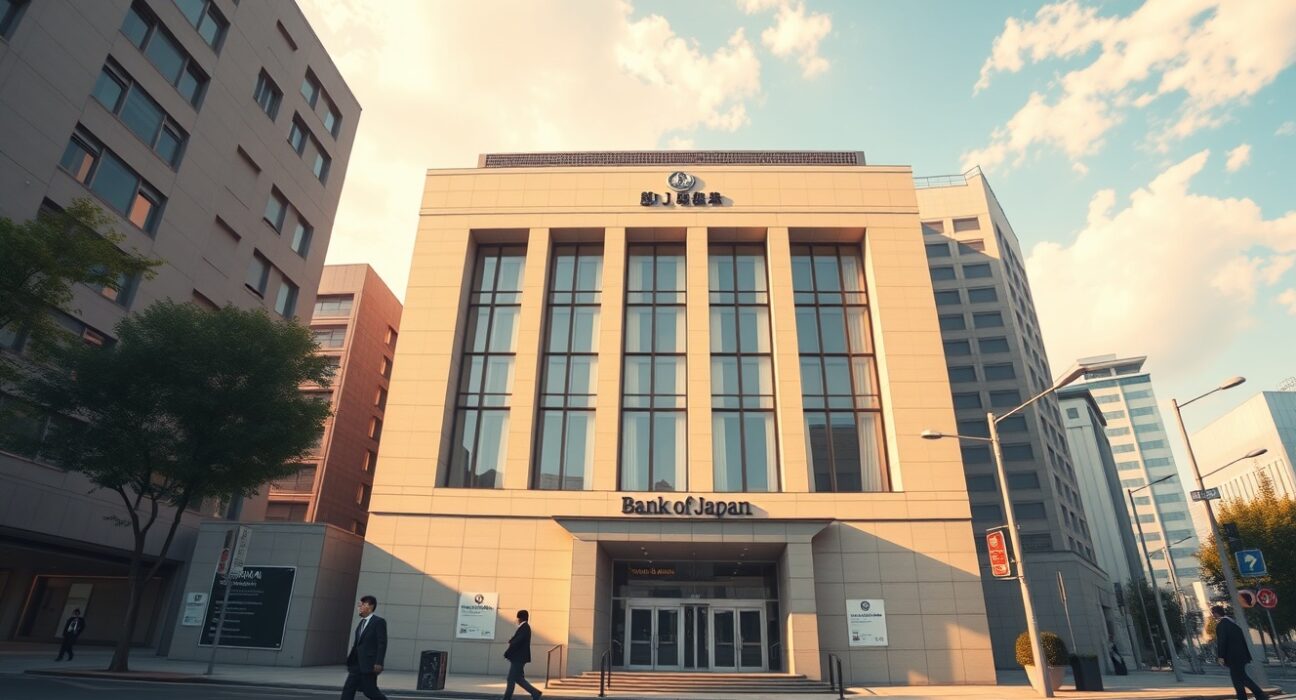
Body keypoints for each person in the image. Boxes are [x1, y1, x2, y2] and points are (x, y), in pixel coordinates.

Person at [1212, 604, 1267, 700]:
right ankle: (1250, 696)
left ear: (1216, 614)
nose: (1213, 616)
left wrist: (1220, 656)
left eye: (1213, 613)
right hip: (1241, 656)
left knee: (1240, 678)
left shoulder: (1222, 625)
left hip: (1233, 657)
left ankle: (1259, 695)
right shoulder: (1233, 624)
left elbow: (1222, 641)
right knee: (1239, 679)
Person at [341, 595, 387, 700]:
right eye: (359, 605)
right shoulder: (361, 623)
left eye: (362, 605)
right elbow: (357, 644)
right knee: (348, 689)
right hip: (356, 665)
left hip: (368, 664)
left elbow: (382, 643)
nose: (359, 607)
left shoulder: (378, 622)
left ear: (370, 606)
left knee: (370, 692)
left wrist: (379, 662)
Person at [503, 609, 541, 700]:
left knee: (511, 679)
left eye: (518, 618)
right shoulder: (524, 628)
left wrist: (507, 652)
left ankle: (506, 699)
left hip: (518, 659)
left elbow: (517, 642)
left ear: (521, 618)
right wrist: (512, 641)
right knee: (518, 679)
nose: (517, 620)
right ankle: (535, 693)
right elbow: (517, 640)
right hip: (519, 658)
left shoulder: (525, 628)